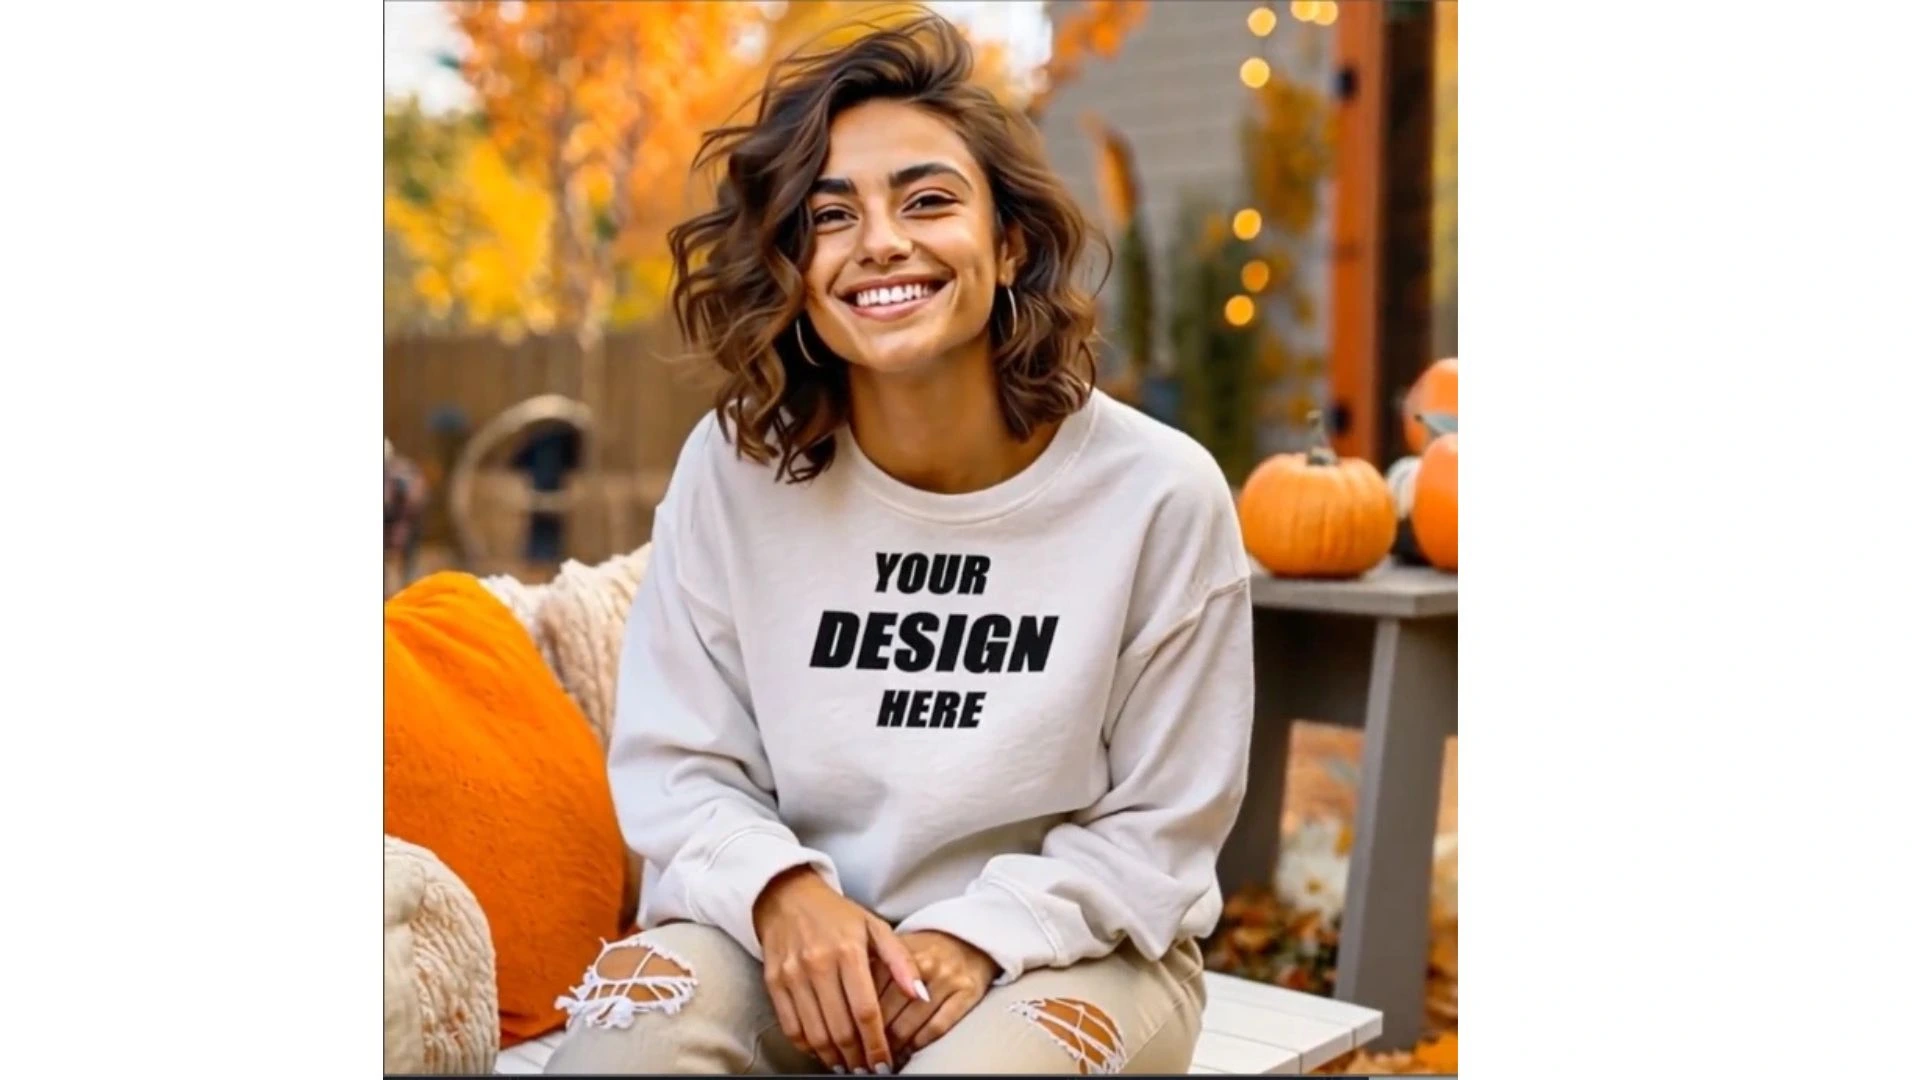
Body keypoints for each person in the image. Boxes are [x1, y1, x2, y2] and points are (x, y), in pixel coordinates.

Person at [546, 14, 1254, 1076]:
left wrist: (979, 934)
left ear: (1008, 242)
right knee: (617, 1058)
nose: (880, 242)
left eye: (927, 200)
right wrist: (784, 894)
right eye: (830, 217)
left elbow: (1163, 824)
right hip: (788, 937)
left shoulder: (1156, 496)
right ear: (795, 264)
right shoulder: (734, 472)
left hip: (1073, 952)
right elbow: (678, 762)